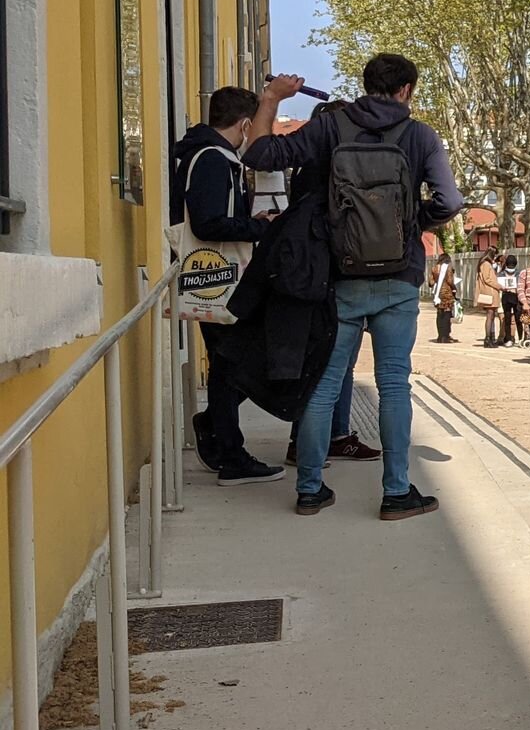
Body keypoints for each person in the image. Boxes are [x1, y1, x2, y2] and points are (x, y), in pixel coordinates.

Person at [245, 55, 463, 520]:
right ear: (407, 90)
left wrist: (270, 100)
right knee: (393, 384)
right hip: (398, 279)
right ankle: (397, 491)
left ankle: (310, 489)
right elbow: (450, 200)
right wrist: (411, 225)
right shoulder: (420, 136)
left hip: (339, 276)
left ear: (366, 85)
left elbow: (262, 155)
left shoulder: (332, 126)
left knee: (323, 384)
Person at [172, 85, 285, 485]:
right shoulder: (214, 161)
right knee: (237, 363)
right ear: (243, 124)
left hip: (210, 275)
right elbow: (208, 223)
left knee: (230, 363)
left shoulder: (201, 155)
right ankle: (227, 449)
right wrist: (260, 227)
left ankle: (220, 437)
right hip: (216, 276)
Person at [474, 248, 502, 347]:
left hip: (491, 291)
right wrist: (499, 286)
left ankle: (491, 337)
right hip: (489, 292)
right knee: (490, 316)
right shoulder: (486, 264)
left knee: (492, 316)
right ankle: (487, 338)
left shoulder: (486, 264)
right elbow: (487, 279)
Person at [430, 254, 459, 343]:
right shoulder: (448, 268)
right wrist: (454, 288)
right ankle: (445, 336)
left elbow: (431, 282)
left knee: (439, 314)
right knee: (447, 314)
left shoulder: (434, 268)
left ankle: (440, 336)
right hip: (447, 293)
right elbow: (450, 281)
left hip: (438, 294)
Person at [497, 254, 524, 347]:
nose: (510, 267)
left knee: (518, 318)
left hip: (516, 297)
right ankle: (508, 338)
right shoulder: (501, 274)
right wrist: (503, 288)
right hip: (506, 296)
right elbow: (498, 285)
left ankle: (521, 338)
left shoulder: (519, 273)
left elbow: (522, 285)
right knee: (507, 318)